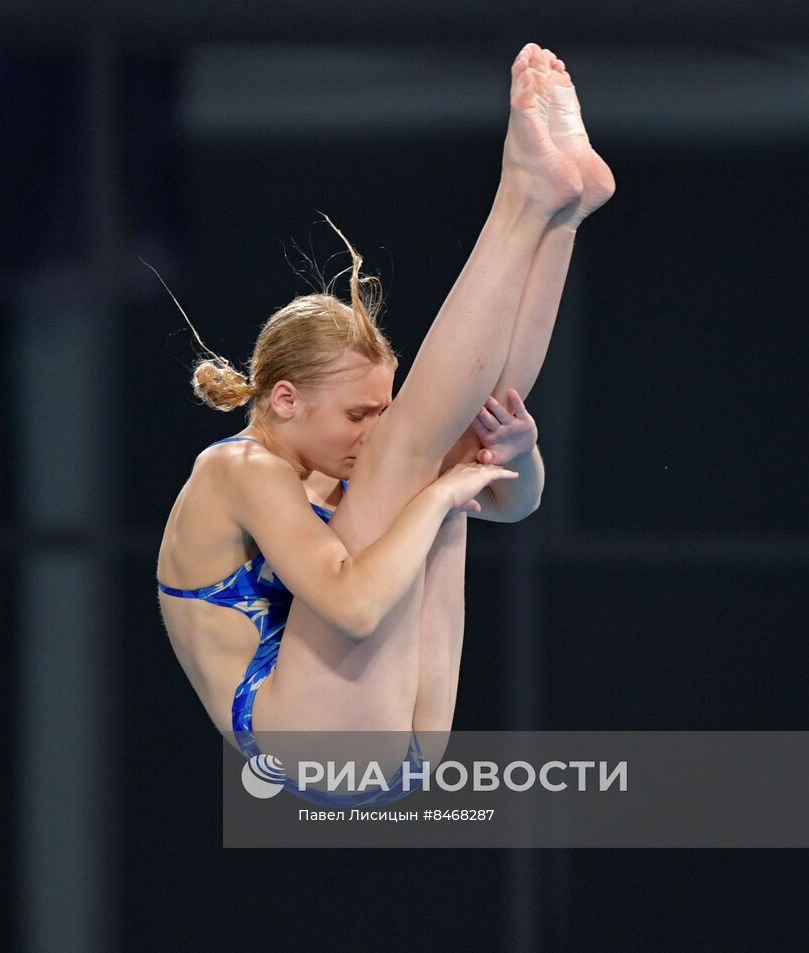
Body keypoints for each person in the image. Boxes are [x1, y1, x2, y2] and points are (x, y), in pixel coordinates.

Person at [155, 43, 615, 794]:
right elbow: (355, 606)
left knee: (462, 436)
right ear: (284, 400)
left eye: (380, 406)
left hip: (403, 732)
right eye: (356, 412)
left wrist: (516, 452)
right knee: (416, 462)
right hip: (309, 743)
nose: (371, 426)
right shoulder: (235, 470)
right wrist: (436, 492)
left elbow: (510, 497)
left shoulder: (340, 471)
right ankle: (522, 199)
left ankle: (561, 214)